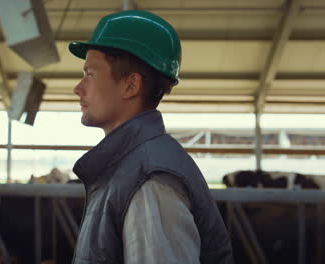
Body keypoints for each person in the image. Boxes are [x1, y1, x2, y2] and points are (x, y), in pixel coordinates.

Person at [68, 10, 234, 264]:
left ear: (131, 86)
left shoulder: (149, 180)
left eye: (90, 74)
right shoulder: (131, 166)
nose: (78, 88)